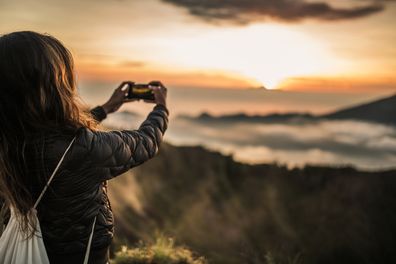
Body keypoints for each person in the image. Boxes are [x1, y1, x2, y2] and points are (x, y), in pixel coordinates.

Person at [0, 31, 169, 263]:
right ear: (52, 85)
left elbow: (54, 132)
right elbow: (146, 142)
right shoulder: (85, 149)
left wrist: (106, 109)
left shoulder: (8, 139)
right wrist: (161, 108)